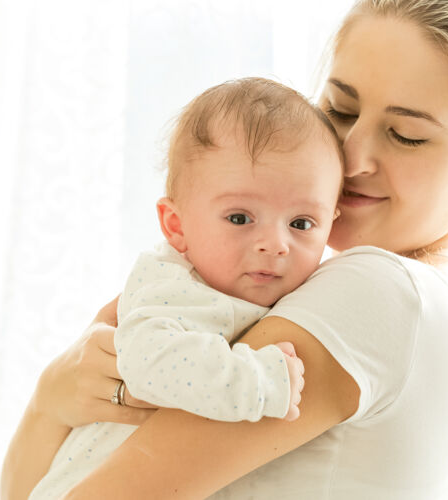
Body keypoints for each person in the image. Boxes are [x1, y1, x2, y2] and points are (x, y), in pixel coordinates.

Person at [1, 0, 448, 498]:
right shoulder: (406, 300)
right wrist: (53, 397)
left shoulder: (383, 292)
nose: (350, 156)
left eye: (404, 134)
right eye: (341, 110)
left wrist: (52, 401)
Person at [27, 77, 344, 499]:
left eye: (301, 224)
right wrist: (255, 381)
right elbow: (150, 365)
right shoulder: (175, 290)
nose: (276, 243)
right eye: (239, 218)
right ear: (176, 227)